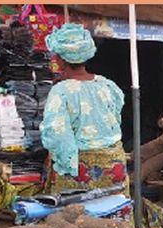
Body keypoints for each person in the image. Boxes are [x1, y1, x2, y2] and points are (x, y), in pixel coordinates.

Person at [40, 23, 127, 194]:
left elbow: (56, 134)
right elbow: (115, 119)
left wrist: (64, 165)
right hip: (114, 163)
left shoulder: (61, 91)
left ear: (60, 60)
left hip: (80, 168)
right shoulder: (107, 85)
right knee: (112, 214)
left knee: (75, 218)